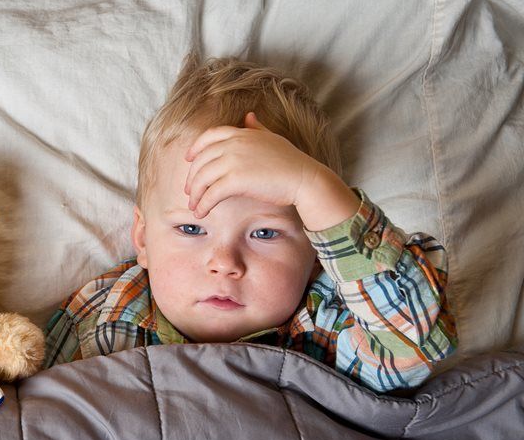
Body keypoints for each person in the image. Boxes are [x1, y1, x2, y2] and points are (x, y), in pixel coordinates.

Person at [43, 54, 457, 392]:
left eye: (264, 233)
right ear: (143, 239)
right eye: (191, 229)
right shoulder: (106, 315)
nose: (224, 262)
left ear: (317, 251)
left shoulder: (332, 324)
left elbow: (413, 343)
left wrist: (311, 186)